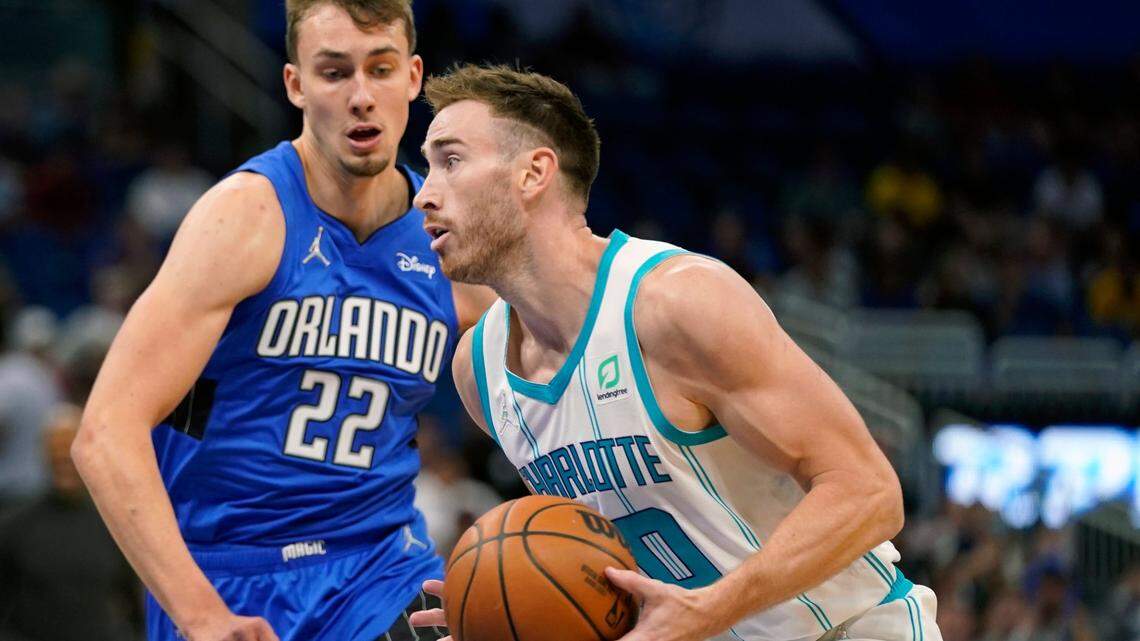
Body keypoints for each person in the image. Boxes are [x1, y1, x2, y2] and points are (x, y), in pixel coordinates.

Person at [408, 64, 943, 641]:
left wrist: (713, 608)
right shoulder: (479, 374)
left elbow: (870, 493)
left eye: (451, 160)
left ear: (534, 172)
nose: (424, 195)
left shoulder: (675, 304)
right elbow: (613, 561)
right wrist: (508, 615)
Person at [71, 3, 491, 640]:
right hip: (230, 580)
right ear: (296, 84)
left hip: (386, 570)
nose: (360, 97)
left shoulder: (448, 235)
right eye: (334, 72)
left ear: (413, 78)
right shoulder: (245, 218)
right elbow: (105, 433)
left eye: (380, 70)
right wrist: (203, 617)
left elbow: (554, 378)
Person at [0, 404, 139, 641]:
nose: (64, 459)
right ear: (44, 454)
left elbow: (131, 603)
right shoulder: (15, 527)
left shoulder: (114, 524)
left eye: (70, 452)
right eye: (57, 452)